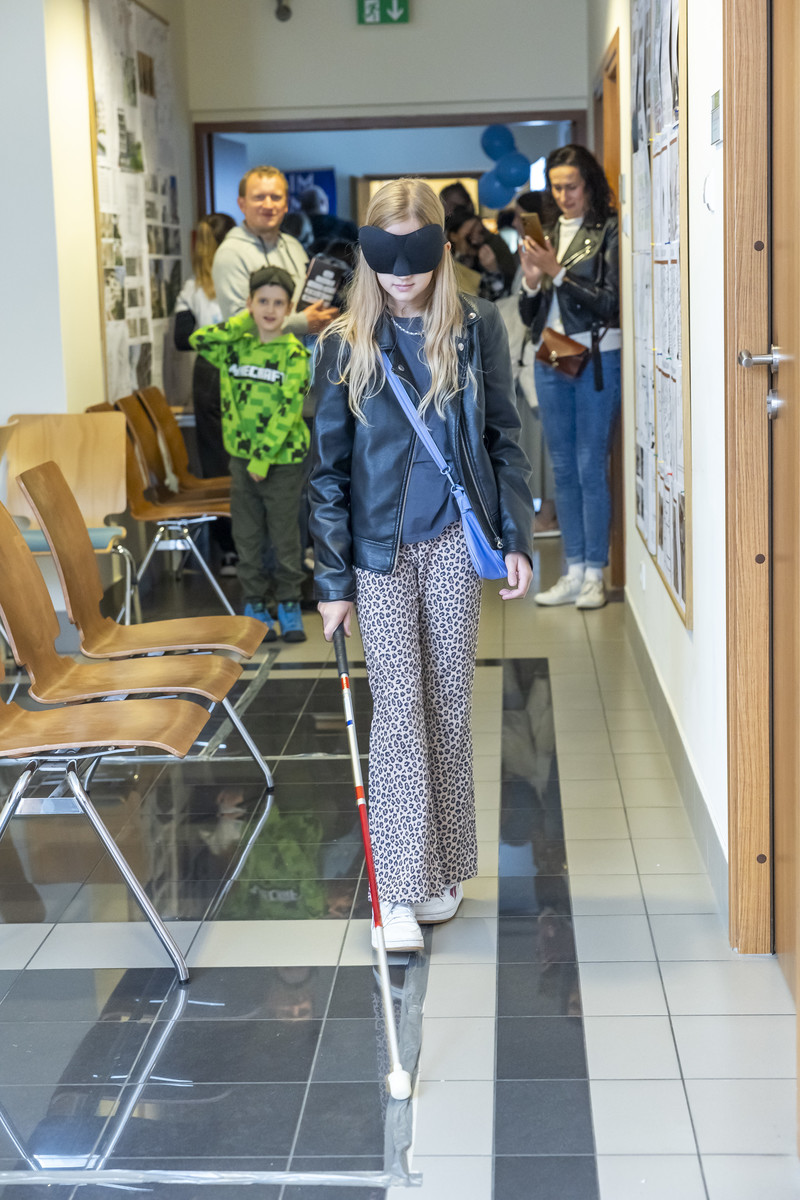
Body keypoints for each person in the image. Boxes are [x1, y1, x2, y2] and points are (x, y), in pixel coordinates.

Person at [309, 178, 533, 953]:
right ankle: (398, 890)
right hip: (378, 554)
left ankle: (443, 868)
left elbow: (503, 438)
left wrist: (515, 538)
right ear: (367, 253)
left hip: (453, 544)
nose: (402, 272)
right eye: (387, 254)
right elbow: (327, 473)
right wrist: (332, 581)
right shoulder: (342, 343)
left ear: (441, 248)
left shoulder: (474, 328)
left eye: (418, 253)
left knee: (448, 705)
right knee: (401, 710)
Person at [518, 144, 621, 610]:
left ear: (589, 185)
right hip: (553, 353)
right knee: (562, 467)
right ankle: (573, 569)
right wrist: (531, 280)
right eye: (557, 187)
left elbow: (608, 301)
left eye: (572, 186)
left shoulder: (607, 229)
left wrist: (557, 272)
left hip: (597, 352)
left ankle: (595, 571)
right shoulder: (546, 231)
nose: (564, 196)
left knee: (589, 465)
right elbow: (530, 314)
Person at [190, 266, 310, 642]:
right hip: (242, 463)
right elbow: (199, 340)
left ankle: (288, 604)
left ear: (289, 308)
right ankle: (255, 604)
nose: (270, 310)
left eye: (278, 303)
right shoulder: (235, 347)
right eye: (262, 301)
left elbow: (288, 410)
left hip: (282, 462)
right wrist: (244, 321)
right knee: (247, 537)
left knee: (285, 538)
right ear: (250, 303)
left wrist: (263, 458)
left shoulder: (294, 353)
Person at [173, 213, 238, 572]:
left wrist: (210, 334)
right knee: (249, 459)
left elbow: (183, 338)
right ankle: (254, 547)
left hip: (208, 372)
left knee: (216, 462)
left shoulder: (192, 287)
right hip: (240, 369)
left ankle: (228, 549)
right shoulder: (240, 280)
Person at [212, 165, 338, 335]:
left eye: (276, 197)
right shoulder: (230, 253)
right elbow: (239, 325)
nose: (268, 204)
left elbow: (306, 308)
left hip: (301, 351)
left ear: (286, 204)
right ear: (242, 204)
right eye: (259, 197)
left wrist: (323, 316)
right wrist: (303, 323)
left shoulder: (293, 246)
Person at [445, 206, 516, 300]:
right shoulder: (446, 264)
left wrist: (493, 270)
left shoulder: (487, 255)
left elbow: (500, 296)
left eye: (480, 232)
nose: (478, 239)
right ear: (453, 236)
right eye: (470, 233)